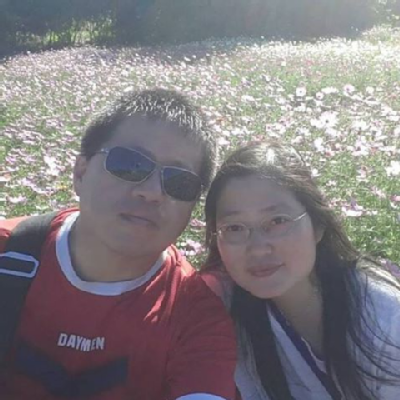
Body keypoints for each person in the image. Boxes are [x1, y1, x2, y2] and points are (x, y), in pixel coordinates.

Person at [0, 88, 236, 400]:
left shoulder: (198, 318)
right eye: (130, 164)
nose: (151, 192)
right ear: (81, 172)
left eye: (179, 181)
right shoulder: (7, 251)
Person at [201, 140, 400, 400]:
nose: (258, 248)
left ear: (318, 225)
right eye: (234, 228)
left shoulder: (385, 318)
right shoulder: (220, 309)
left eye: (277, 221)